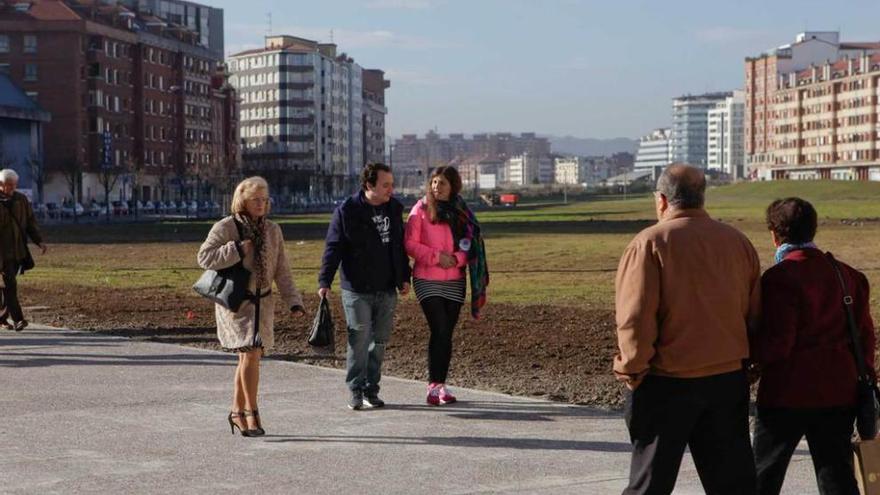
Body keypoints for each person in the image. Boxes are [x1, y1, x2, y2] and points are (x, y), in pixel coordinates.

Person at [614, 164, 762, 495]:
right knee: (733, 483)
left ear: (662, 200)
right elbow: (754, 313)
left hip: (667, 380)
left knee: (650, 483)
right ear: (701, 197)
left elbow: (635, 318)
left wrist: (631, 368)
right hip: (727, 379)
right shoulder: (737, 241)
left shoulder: (650, 243)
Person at [752, 197, 875, 495]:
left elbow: (779, 342)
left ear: (774, 234)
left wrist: (752, 362)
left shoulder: (779, 278)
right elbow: (865, 336)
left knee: (763, 475)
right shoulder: (848, 275)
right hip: (839, 389)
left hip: (787, 391)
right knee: (836, 475)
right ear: (813, 230)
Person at [197, 177, 305, 437]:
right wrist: (235, 248)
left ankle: (236, 410)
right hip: (237, 305)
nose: (261, 204)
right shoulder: (227, 226)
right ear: (242, 200)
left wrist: (294, 301)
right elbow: (204, 257)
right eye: (256, 199)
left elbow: (282, 269)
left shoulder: (272, 230)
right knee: (252, 354)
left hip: (264, 303)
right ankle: (252, 412)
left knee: (249, 358)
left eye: (265, 199)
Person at [318, 163, 411, 410]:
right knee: (359, 339)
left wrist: (404, 277)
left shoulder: (394, 208)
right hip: (357, 288)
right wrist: (324, 281)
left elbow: (399, 246)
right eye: (386, 185)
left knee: (379, 341)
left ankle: (372, 389)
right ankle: (355, 390)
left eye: (391, 184)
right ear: (369, 185)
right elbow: (333, 247)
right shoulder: (347, 211)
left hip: (387, 287)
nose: (391, 189)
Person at [404, 166, 488, 405]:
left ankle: (440, 385)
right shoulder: (420, 209)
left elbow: (470, 243)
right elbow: (410, 243)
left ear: (453, 186)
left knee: (446, 334)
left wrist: (458, 259)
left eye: (441, 183)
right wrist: (436, 257)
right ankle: (433, 387)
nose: (436, 188)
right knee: (439, 329)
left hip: (455, 280)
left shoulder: (462, 212)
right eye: (433, 183)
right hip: (426, 279)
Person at [0, 169, 47, 331]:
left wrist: (39, 241)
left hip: (16, 252)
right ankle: (19, 319)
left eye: (14, 185)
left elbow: (30, 223)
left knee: (8, 285)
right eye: (9, 185)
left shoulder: (21, 200)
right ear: (1, 184)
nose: (12, 188)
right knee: (9, 285)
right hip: (1, 253)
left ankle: (2, 317)